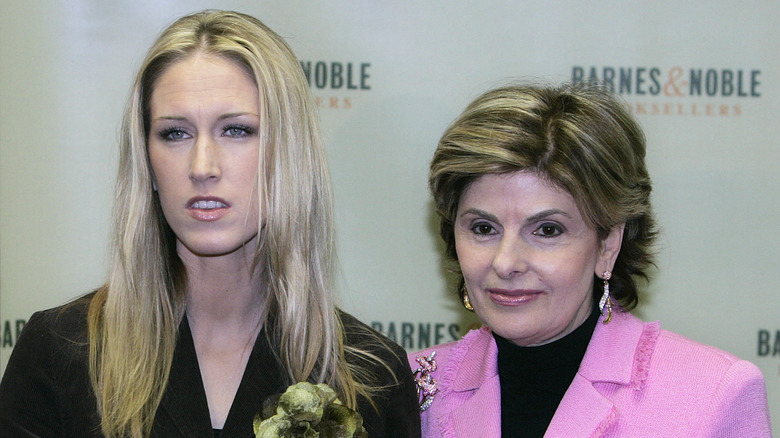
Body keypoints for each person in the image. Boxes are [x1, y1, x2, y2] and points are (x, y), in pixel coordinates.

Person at [0, 10, 419, 438]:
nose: (202, 166)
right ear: (146, 158)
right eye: (175, 134)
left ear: (289, 153)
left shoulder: (371, 375)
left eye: (236, 130)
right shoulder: (60, 353)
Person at [408, 83, 771, 437]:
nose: (506, 263)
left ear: (608, 243)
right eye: (484, 228)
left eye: (547, 230)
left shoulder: (712, 393)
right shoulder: (411, 390)